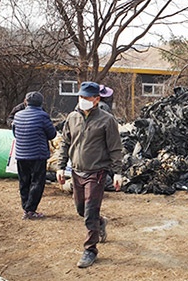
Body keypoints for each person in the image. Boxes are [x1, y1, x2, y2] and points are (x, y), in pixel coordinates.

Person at [56, 81, 123, 268]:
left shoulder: (106, 120)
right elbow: (65, 143)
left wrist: (117, 172)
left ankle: (90, 250)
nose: (83, 100)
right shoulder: (72, 118)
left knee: (90, 212)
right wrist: (60, 167)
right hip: (76, 172)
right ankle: (100, 223)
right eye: (81, 97)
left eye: (87, 97)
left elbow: (115, 148)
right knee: (81, 209)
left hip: (97, 173)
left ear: (96, 99)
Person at [12, 91, 57, 219]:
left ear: (26, 102)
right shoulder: (42, 116)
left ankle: (25, 207)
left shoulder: (18, 115)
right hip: (37, 155)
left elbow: (15, 133)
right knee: (37, 182)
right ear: (41, 103)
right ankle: (31, 209)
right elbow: (52, 134)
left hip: (21, 154)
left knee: (24, 181)